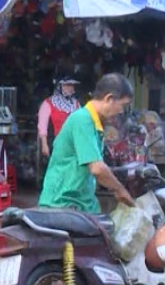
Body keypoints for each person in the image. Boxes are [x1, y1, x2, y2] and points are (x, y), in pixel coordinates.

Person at [38, 73, 137, 214]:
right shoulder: (83, 119)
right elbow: (97, 168)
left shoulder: (94, 123)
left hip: (83, 204)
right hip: (63, 204)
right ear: (109, 99)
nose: (121, 112)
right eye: (123, 106)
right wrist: (120, 190)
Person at [37, 74, 81, 159]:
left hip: (74, 145)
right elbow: (42, 126)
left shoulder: (76, 104)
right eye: (67, 85)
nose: (70, 88)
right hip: (55, 143)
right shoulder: (48, 103)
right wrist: (44, 144)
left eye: (72, 85)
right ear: (60, 86)